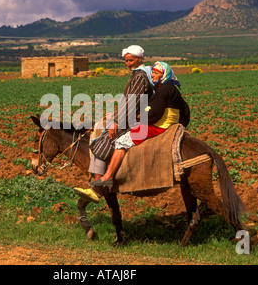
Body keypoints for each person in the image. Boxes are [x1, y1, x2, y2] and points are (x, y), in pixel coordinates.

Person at [89, 61, 190, 188]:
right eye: (152, 72)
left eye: (156, 73)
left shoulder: (163, 90)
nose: (152, 75)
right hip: (168, 124)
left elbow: (154, 114)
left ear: (164, 75)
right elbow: (185, 110)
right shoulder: (171, 88)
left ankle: (107, 176)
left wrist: (138, 116)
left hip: (158, 127)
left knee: (121, 141)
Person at [74, 45, 154, 203]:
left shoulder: (139, 76)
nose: (128, 63)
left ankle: (98, 188)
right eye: (126, 61)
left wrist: (116, 121)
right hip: (133, 115)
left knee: (102, 142)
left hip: (134, 120)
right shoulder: (139, 74)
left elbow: (131, 102)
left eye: (131, 60)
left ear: (140, 59)